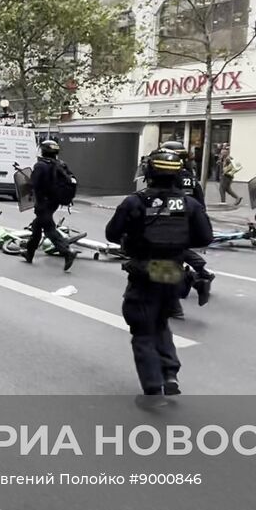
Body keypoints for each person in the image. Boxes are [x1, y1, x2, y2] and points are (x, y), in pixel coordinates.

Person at [105, 147, 213, 399]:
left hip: (144, 271)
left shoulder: (135, 201)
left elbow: (112, 234)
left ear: (149, 172)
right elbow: (204, 237)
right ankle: (170, 373)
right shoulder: (190, 203)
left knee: (142, 328)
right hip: (173, 272)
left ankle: (153, 383)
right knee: (161, 321)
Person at [162, 142, 213, 307]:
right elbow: (199, 199)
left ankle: (190, 280)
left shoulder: (172, 177)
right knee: (174, 254)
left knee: (161, 259)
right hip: (191, 219)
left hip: (177, 220)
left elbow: (174, 202)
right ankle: (195, 278)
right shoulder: (189, 176)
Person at [25, 139, 78, 271]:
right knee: (37, 225)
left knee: (49, 229)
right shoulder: (61, 164)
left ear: (43, 151)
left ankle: (67, 251)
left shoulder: (40, 166)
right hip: (54, 201)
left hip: (43, 202)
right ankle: (29, 253)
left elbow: (33, 184)